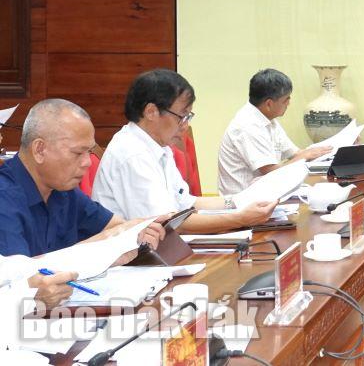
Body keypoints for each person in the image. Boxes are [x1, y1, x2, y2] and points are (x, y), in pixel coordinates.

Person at [93, 69, 278, 233]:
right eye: (182, 116)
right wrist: (241, 218)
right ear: (151, 112)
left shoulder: (158, 146)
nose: (185, 125)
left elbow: (188, 203)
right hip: (134, 257)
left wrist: (242, 200)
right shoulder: (132, 153)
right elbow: (169, 224)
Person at [0, 99, 165, 258]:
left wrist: (142, 228)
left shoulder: (64, 190)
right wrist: (95, 249)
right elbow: (20, 273)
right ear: (40, 150)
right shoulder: (4, 196)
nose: (87, 162)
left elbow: (116, 227)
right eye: (78, 153)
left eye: (89, 151)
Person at [217, 69, 331, 196]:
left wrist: (329, 153)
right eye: (286, 99)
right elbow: (271, 172)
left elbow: (295, 154)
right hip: (243, 201)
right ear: (269, 104)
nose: (289, 103)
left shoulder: (268, 119)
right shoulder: (247, 126)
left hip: (264, 194)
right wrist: (305, 156)